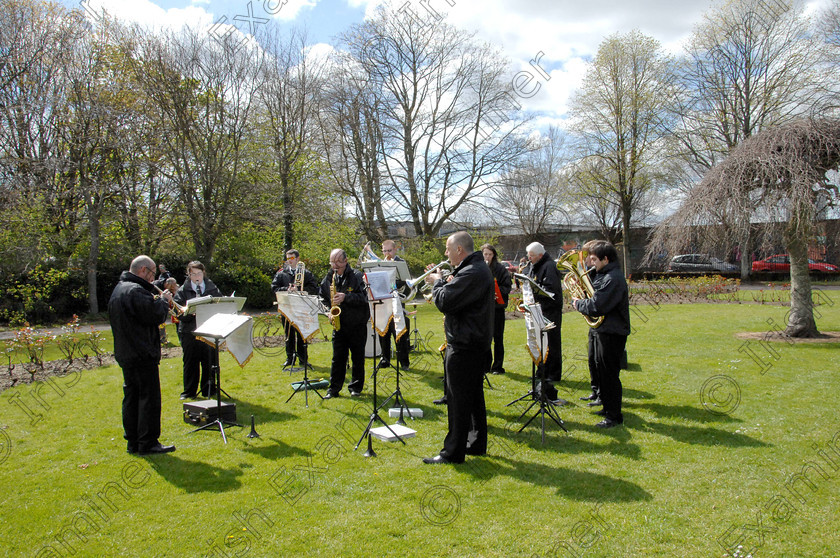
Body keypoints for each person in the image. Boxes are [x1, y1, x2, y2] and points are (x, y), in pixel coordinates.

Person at [422, 231, 494, 464]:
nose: (445, 253)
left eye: (448, 248)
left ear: (459, 250)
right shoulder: (473, 268)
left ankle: (452, 453)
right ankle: (476, 443)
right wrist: (447, 280)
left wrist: (438, 282)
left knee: (457, 400)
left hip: (464, 345)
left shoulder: (473, 271)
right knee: (473, 397)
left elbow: (445, 301)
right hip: (473, 342)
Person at [108, 255, 176, 455]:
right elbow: (154, 315)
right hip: (141, 353)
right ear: (143, 271)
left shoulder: (120, 289)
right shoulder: (135, 291)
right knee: (148, 398)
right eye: (152, 273)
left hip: (127, 352)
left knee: (132, 397)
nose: (152, 278)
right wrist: (164, 301)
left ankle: (133, 442)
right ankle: (148, 442)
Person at [571, 241, 630, 428]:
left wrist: (578, 304)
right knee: (600, 370)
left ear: (606, 259)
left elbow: (598, 305)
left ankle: (614, 416)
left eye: (594, 259)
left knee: (609, 375)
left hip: (612, 332)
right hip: (602, 329)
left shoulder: (613, 278)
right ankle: (607, 407)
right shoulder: (603, 275)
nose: (591, 262)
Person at [320, 249, 370, 398]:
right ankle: (333, 389)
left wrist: (345, 297)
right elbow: (321, 297)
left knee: (357, 358)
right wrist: (328, 312)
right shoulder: (329, 277)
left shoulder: (357, 276)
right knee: (337, 358)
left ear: (346, 261)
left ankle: (355, 388)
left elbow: (364, 298)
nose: (335, 266)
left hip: (357, 324)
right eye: (332, 262)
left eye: (338, 262)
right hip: (339, 325)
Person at [174, 261, 222, 400]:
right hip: (190, 331)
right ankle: (189, 391)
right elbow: (178, 312)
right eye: (193, 274)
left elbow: (220, 302)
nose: (197, 276)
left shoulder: (212, 287)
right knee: (190, 362)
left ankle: (209, 389)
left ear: (203, 273)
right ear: (189, 274)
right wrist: (189, 313)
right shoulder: (183, 290)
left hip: (208, 329)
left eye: (199, 273)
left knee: (209, 361)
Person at [526, 242, 563, 400]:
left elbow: (551, 290)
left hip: (550, 310)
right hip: (540, 309)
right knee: (541, 342)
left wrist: (536, 287)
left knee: (551, 342)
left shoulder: (548, 266)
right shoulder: (537, 265)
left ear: (540, 256)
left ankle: (552, 373)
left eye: (532, 256)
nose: (529, 258)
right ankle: (542, 371)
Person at [271, 249, 320, 368]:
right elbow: (274, 287)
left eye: (292, 258)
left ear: (298, 259)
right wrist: (286, 290)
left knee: (302, 334)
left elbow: (314, 288)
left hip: (301, 308)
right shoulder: (281, 273)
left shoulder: (306, 273)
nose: (289, 261)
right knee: (289, 335)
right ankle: (290, 358)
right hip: (287, 307)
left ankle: (303, 359)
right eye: (288, 258)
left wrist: (299, 290)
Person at [578, 240, 604, 407]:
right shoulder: (593, 272)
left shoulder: (602, 274)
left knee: (600, 361)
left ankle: (602, 394)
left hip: (603, 324)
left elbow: (597, 300)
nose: (587, 260)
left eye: (589, 256)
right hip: (594, 323)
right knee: (591, 359)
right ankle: (595, 390)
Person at [378, 239, 411, 370]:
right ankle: (385, 359)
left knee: (399, 331)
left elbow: (406, 281)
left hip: (397, 301)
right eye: (384, 251)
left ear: (395, 249)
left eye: (389, 250)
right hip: (383, 303)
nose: (387, 254)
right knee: (383, 331)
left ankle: (404, 362)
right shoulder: (379, 264)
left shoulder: (401, 263)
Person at [481, 244, 511, 375]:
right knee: (485, 337)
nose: (487, 257)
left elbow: (507, 287)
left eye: (490, 254)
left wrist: (496, 292)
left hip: (497, 308)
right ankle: (486, 365)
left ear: (494, 255)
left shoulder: (500, 269)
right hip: (483, 309)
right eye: (485, 254)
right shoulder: (480, 268)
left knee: (498, 338)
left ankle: (498, 366)